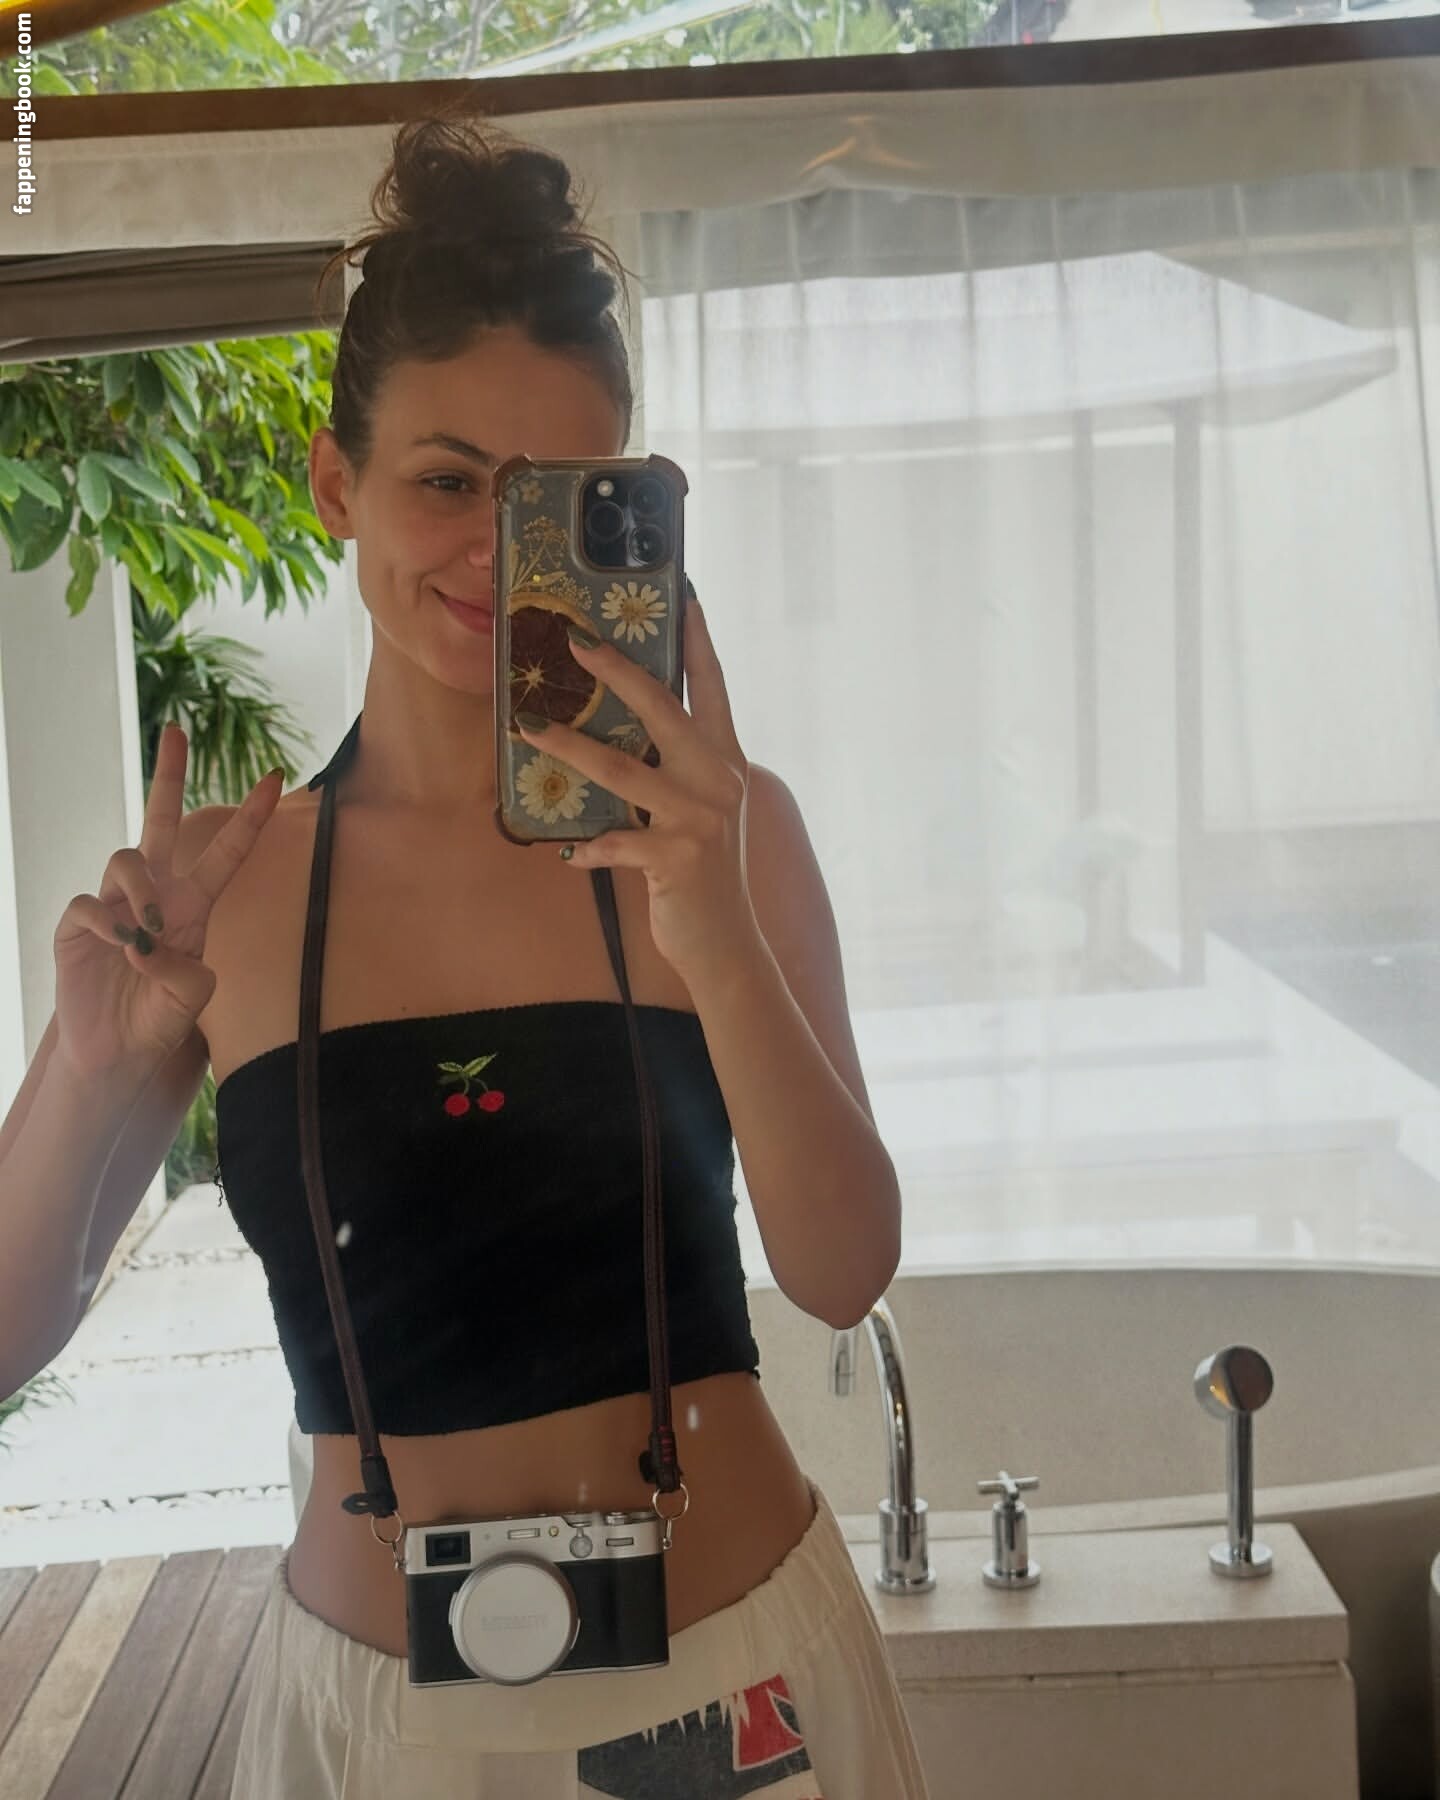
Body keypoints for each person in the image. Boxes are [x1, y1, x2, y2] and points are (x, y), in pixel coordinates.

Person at [0, 103, 930, 1799]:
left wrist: (716, 931)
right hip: (377, 1731)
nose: (499, 558)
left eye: (556, 502)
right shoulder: (227, 896)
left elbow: (843, 1269)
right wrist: (87, 1060)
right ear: (335, 484)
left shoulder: (718, 841)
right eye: (445, 483)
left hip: (733, 1692)